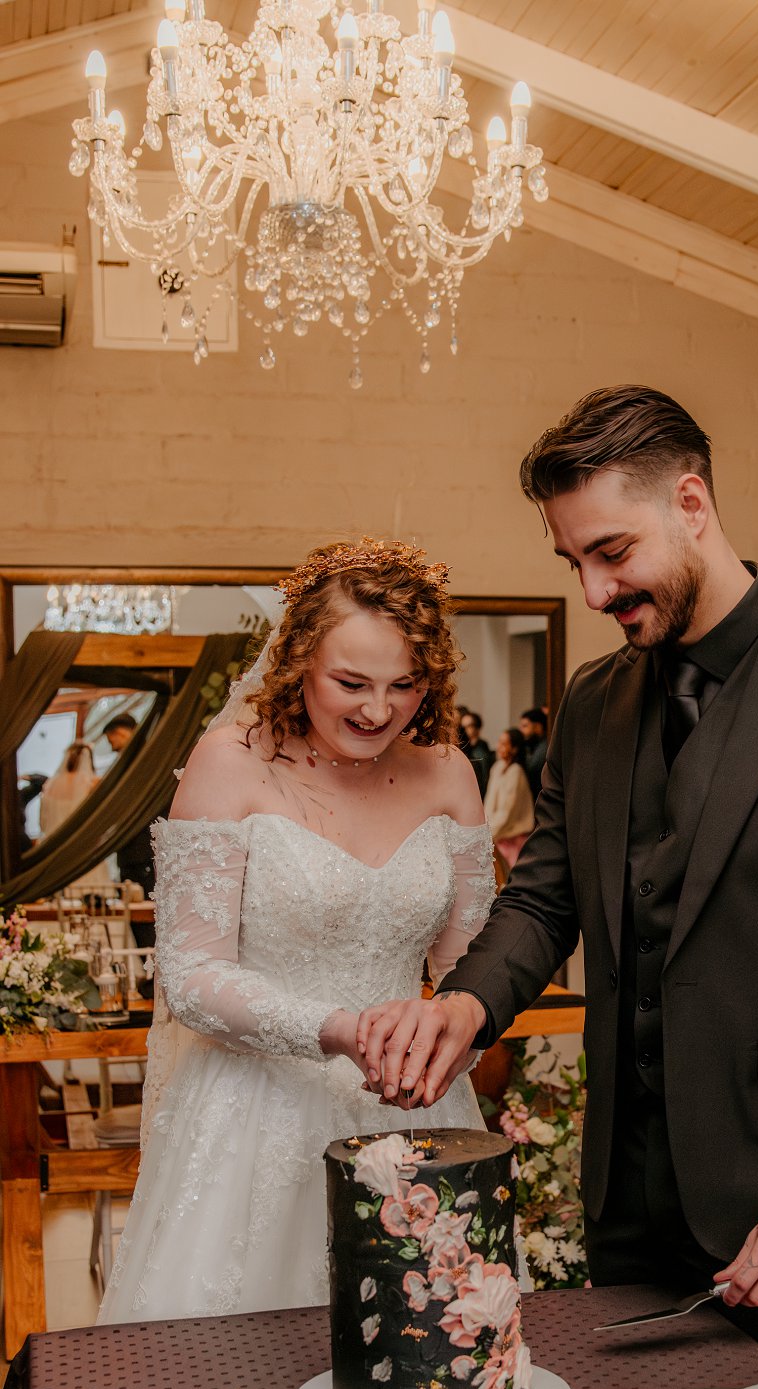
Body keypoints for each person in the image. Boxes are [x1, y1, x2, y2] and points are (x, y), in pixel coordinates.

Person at [354, 385, 758, 1389]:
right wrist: (464, 1006)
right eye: (574, 562)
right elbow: (543, 900)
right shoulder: (594, 705)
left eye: (612, 552)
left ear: (691, 504)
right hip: (625, 1197)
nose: (596, 591)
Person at [97, 540, 494, 1325]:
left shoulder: (448, 772)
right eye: (351, 683)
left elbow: (473, 971)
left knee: (424, 1353)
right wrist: (337, 1031)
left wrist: (444, 1045)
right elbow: (192, 976)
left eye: (404, 685)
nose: (377, 711)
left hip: (414, 1112)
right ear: (299, 661)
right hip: (256, 1119)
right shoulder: (231, 763)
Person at [103, 712, 157, 948]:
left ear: (123, 733)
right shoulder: (128, 767)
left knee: (147, 921)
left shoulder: (146, 765)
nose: (113, 747)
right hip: (130, 854)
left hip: (142, 852)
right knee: (135, 920)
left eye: (112, 740)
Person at [38, 742, 114, 892]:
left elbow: (43, 822)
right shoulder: (93, 783)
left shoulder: (50, 785)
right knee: (92, 894)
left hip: (57, 849)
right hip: (86, 848)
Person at [483, 727, 536, 873]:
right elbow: (489, 804)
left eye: (504, 744)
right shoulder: (497, 767)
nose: (499, 747)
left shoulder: (516, 772)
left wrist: (488, 834)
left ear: (515, 748)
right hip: (496, 836)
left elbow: (507, 812)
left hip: (512, 839)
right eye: (499, 742)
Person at [460, 711, 495, 798]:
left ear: (477, 728)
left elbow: (484, 780)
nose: (464, 730)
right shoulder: (466, 748)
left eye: (469, 726)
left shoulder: (481, 752)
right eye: (462, 726)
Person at [518, 708, 548, 797]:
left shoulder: (544, 747)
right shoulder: (531, 745)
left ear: (538, 726)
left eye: (525, 726)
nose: (521, 730)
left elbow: (531, 769)